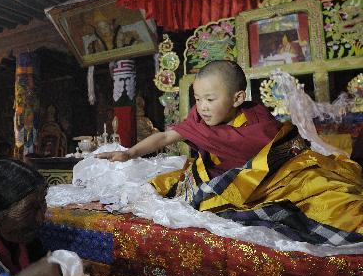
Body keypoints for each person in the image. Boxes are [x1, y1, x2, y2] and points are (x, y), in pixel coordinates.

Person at [99, 60, 363, 244]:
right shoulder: (201, 118)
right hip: (221, 173)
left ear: (237, 98)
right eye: (198, 98)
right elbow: (168, 135)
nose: (202, 107)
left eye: (210, 100)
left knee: (335, 203)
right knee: (159, 187)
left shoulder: (258, 124)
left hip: (276, 177)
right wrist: (130, 153)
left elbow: (280, 153)